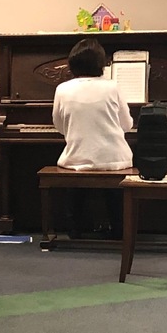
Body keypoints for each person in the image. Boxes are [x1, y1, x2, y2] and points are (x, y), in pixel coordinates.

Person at [53, 38, 133, 237]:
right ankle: (119, 229)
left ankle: (76, 228)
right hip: (115, 159)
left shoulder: (62, 89)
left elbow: (59, 127)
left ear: (72, 64)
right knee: (112, 175)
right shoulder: (113, 87)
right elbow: (127, 125)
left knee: (75, 170)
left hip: (77, 158)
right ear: (102, 64)